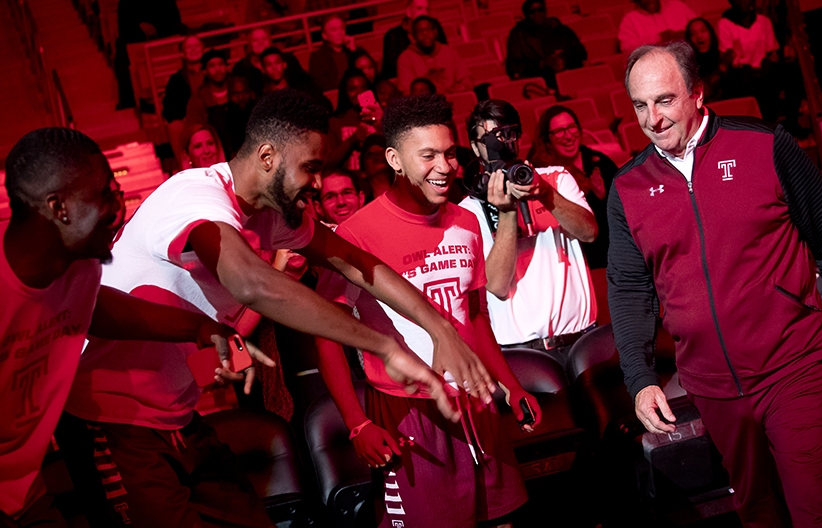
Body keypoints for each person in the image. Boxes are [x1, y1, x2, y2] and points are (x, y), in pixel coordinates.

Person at [59, 89, 496, 528]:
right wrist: (384, 346)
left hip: (174, 416)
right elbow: (251, 283)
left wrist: (440, 327)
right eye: (310, 167)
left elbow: (355, 262)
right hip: (110, 420)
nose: (318, 183)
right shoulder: (194, 196)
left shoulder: (268, 212)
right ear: (267, 156)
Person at [609, 41, 822, 526]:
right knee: (756, 508)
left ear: (696, 94)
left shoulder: (765, 146)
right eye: (640, 105)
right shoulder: (628, 188)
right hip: (711, 385)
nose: (652, 118)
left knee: (812, 501)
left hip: (791, 364)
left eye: (665, 100)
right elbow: (630, 291)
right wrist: (641, 377)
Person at [0, 127, 259, 527]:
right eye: (105, 193)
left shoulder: (79, 264)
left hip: (23, 489)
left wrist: (202, 329)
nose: (119, 205)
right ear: (60, 207)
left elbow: (99, 309)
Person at [315, 93, 539, 528]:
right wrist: (357, 424)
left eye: (450, 153)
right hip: (408, 414)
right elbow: (326, 335)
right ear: (395, 160)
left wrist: (510, 387)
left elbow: (474, 319)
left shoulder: (466, 222)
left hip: (477, 403)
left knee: (504, 521)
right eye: (429, 155)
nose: (445, 166)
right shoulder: (354, 234)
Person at [459, 99, 598, 367]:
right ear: (476, 147)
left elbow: (589, 232)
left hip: (582, 339)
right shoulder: (470, 210)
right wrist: (507, 212)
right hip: (523, 354)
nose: (499, 145)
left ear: (517, 136)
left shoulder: (556, 177)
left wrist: (545, 193)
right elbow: (497, 285)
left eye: (505, 134)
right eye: (489, 139)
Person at [528, 105, 617, 270]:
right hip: (572, 262)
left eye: (571, 127)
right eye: (559, 131)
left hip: (613, 256)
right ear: (547, 138)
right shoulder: (542, 172)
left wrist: (604, 198)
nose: (568, 136)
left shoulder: (600, 162)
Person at [505, 0, 587, 91]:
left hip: (568, 75)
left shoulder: (559, 28)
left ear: (545, 11)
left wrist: (564, 56)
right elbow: (514, 66)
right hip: (540, 81)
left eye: (540, 10)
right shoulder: (518, 35)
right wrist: (542, 63)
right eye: (532, 12)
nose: (537, 14)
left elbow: (581, 52)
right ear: (526, 15)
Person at [396, 16, 472, 95]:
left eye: (428, 29)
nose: (425, 34)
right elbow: (407, 91)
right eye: (420, 31)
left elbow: (466, 79)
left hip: (452, 98)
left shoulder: (449, 51)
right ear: (413, 36)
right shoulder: (405, 58)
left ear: (435, 32)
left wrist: (460, 88)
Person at [328, 68, 382, 169]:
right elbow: (328, 163)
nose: (359, 93)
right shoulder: (335, 122)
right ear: (345, 93)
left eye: (363, 87)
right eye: (353, 89)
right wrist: (352, 140)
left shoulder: (380, 116)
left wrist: (382, 124)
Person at [380, 0, 447, 81]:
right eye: (419, 8)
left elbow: (445, 55)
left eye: (427, 9)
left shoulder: (435, 28)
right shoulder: (393, 36)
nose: (424, 13)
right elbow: (391, 71)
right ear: (408, 12)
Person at [617, 0, 697, 58]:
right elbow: (627, 49)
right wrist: (658, 38)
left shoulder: (677, 6)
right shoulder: (630, 20)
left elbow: (700, 27)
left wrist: (686, 34)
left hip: (689, 61)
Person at [208, 75, 257, 159]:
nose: (240, 98)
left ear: (249, 93)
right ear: (230, 95)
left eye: (244, 92)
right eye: (236, 94)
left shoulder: (259, 113)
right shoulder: (221, 118)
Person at [684, 17, 730, 102]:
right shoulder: (688, 65)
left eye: (703, 31)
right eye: (693, 34)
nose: (699, 36)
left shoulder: (723, 58)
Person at [308, 15, 355, 92]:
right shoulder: (317, 57)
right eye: (333, 30)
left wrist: (353, 51)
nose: (339, 32)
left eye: (342, 28)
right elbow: (320, 84)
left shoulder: (354, 51)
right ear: (325, 36)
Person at [185, 49, 230, 127]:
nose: (218, 69)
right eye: (212, 66)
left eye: (221, 64)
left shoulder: (239, 88)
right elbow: (194, 128)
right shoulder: (198, 98)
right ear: (204, 71)